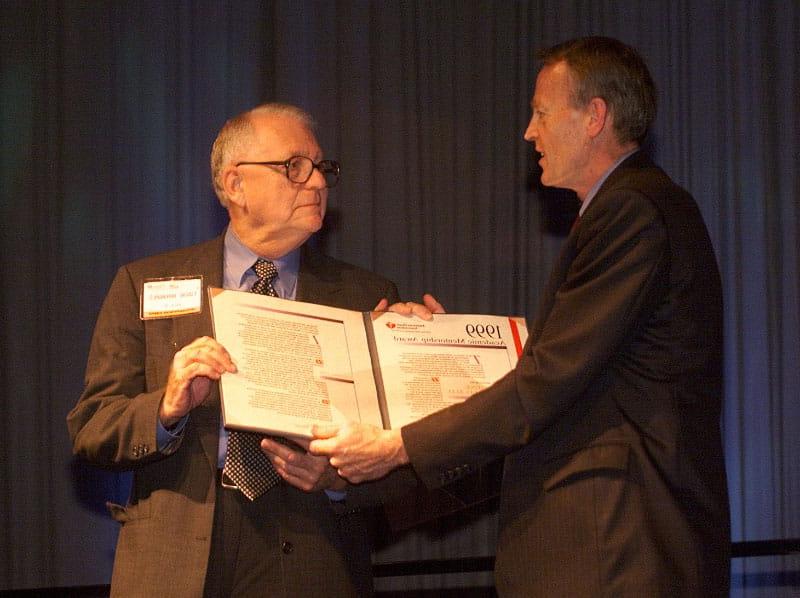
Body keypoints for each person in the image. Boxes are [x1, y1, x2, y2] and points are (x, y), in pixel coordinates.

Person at [309, 37, 731, 596]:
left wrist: (399, 445)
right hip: (613, 545)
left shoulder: (631, 210)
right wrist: (449, 350)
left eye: (540, 112)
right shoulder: (637, 206)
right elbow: (581, 367)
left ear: (594, 117)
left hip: (616, 547)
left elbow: (548, 380)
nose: (529, 132)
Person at [67, 103, 420, 597]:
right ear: (235, 184)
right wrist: (165, 410)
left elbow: (412, 462)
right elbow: (92, 428)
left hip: (315, 551)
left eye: (322, 168)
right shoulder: (144, 283)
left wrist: (339, 477)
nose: (317, 182)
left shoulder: (367, 299)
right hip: (177, 553)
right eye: (295, 167)